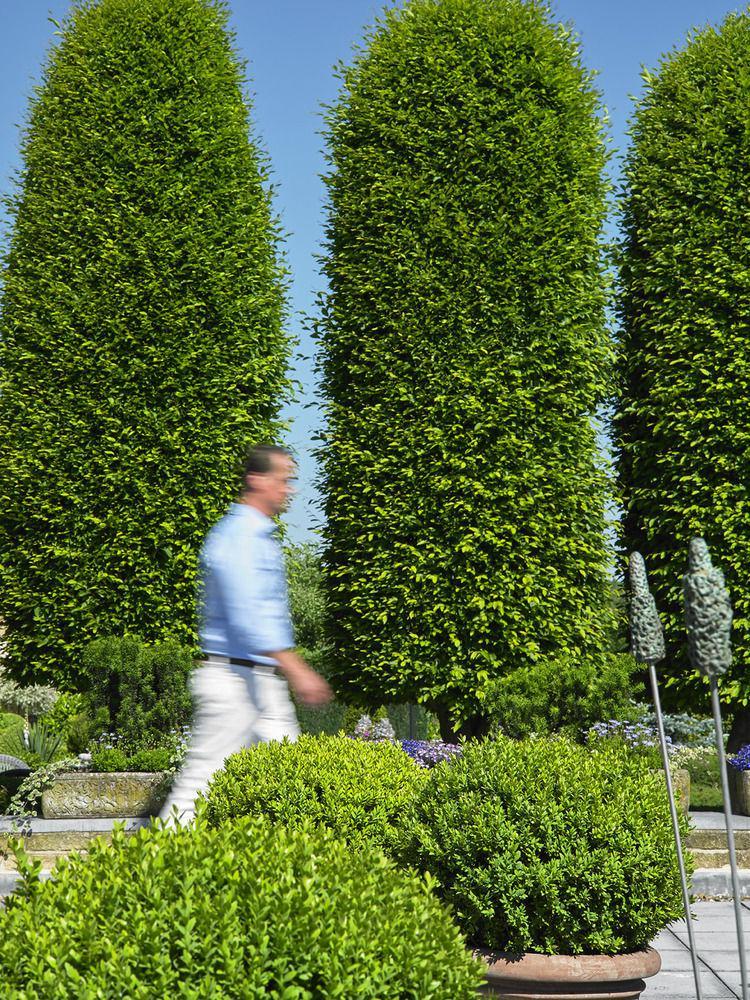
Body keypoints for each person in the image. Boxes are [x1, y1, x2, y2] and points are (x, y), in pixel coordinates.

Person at [160, 444, 332, 822]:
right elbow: (247, 615)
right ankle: (151, 867)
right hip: (235, 682)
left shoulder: (257, 536)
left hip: (258, 681)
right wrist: (298, 668)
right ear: (257, 480)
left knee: (291, 778)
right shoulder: (239, 537)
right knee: (198, 786)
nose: (290, 489)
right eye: (283, 480)